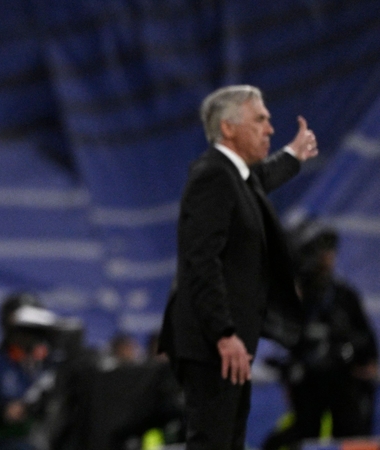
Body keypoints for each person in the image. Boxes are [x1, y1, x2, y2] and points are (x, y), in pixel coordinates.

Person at [157, 84, 319, 449]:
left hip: (228, 341)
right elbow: (200, 260)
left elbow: (260, 179)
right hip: (214, 343)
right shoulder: (212, 175)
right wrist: (223, 332)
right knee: (213, 442)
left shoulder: (234, 178)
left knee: (228, 442)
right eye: (260, 119)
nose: (270, 129)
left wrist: (293, 154)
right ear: (228, 128)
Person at [262, 222, 378, 448]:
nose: (327, 258)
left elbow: (367, 348)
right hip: (308, 394)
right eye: (320, 252)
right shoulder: (292, 301)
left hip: (345, 390)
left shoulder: (344, 297)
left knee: (351, 435)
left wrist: (346, 348)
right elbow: (282, 346)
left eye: (329, 251)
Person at [0, 293, 57, 450]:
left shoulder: (50, 365)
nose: (29, 335)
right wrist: (5, 412)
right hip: (5, 442)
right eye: (23, 327)